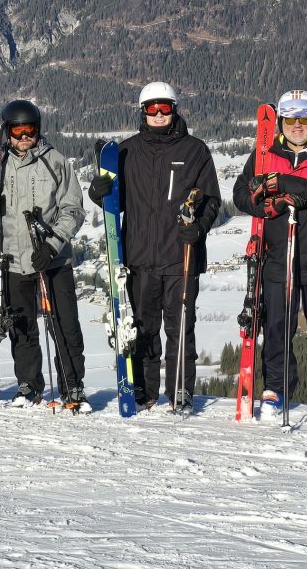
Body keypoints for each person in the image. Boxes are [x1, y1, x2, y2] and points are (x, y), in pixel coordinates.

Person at [88, 81, 220, 412]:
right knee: (143, 330)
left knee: (180, 329)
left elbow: (212, 199)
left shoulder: (195, 151)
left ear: (174, 109)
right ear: (142, 112)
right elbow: (114, 203)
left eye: (164, 107)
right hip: (139, 258)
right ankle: (144, 392)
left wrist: (199, 228)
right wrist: (99, 192)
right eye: (152, 108)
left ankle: (180, 391)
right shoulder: (127, 151)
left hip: (181, 257)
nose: (158, 114)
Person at [229, 90, 307, 421]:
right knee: (278, 326)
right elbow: (241, 193)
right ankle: (276, 389)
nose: (298, 126)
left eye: (304, 119)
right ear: (281, 122)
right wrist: (266, 205)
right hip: (277, 255)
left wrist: (280, 181)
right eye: (291, 120)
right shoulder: (265, 153)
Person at [0, 100, 89, 411]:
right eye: (18, 130)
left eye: (31, 130)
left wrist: (52, 244)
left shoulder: (56, 162)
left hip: (53, 259)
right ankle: (29, 383)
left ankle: (72, 384)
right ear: (7, 132)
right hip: (11, 259)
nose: (25, 136)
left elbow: (74, 209)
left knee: (64, 324)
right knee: (21, 325)